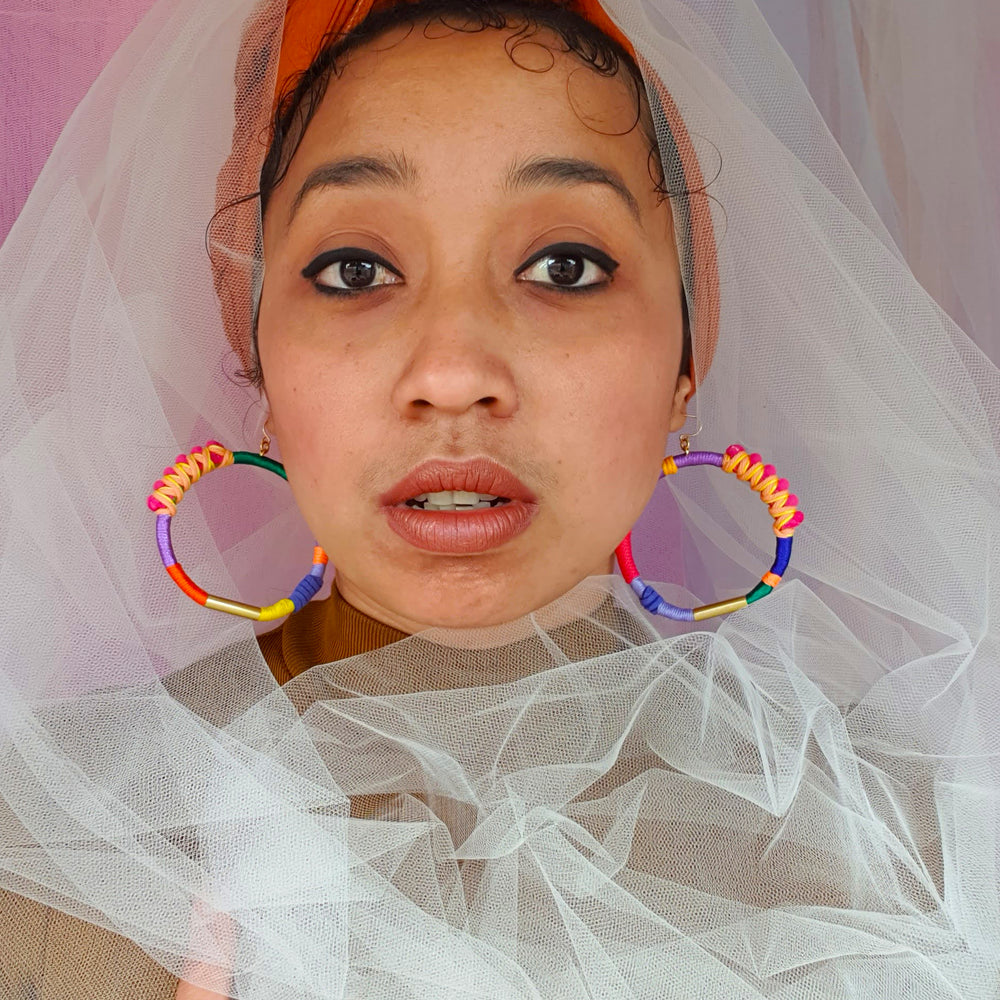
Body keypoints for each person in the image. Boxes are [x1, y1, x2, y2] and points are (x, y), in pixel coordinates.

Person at [1, 0, 997, 997]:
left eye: (564, 267)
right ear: (258, 352)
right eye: (356, 269)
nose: (452, 370)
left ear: (683, 363)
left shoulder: (903, 837)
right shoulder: (51, 833)